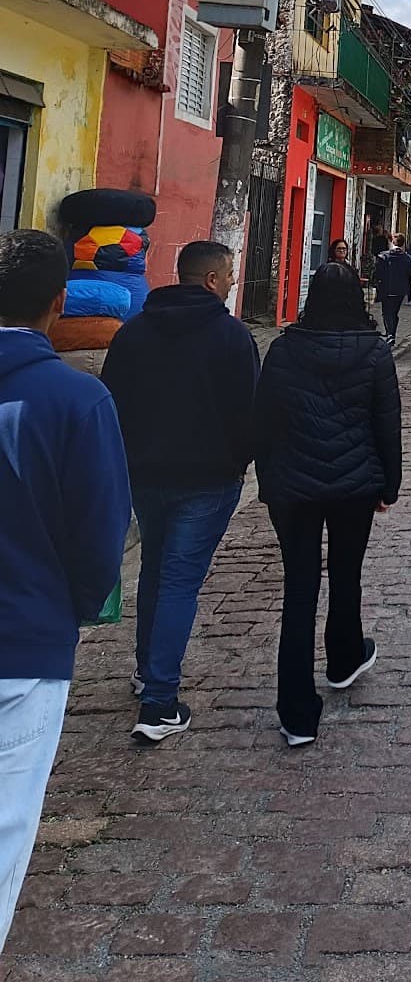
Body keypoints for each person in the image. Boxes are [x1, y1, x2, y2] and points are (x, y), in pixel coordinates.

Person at [0, 231, 130, 951]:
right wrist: (77, 608)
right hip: (25, 644)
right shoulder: (77, 400)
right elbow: (99, 532)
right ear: (58, 303)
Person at [102, 240, 260, 743]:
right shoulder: (233, 338)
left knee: (155, 569)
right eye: (231, 273)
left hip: (146, 476)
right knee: (178, 580)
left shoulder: (133, 334)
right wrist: (238, 462)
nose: (235, 280)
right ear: (211, 280)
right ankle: (159, 701)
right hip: (208, 479)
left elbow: (113, 404)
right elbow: (250, 413)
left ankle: (148, 669)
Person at [251, 263, 401, 746]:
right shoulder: (376, 353)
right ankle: (343, 657)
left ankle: (296, 714)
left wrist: (270, 478)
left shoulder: (283, 349)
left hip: (293, 487)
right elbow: (387, 426)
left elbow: (264, 420)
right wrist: (389, 485)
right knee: (346, 572)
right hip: (354, 486)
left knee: (299, 588)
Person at [374, 234, 411, 346]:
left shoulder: (384, 256)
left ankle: (390, 334)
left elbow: (378, 273)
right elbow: (410, 274)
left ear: (392, 242)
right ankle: (392, 333)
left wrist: (378, 285)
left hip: (386, 289)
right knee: (394, 312)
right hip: (400, 290)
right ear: (403, 243)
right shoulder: (407, 258)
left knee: (387, 312)